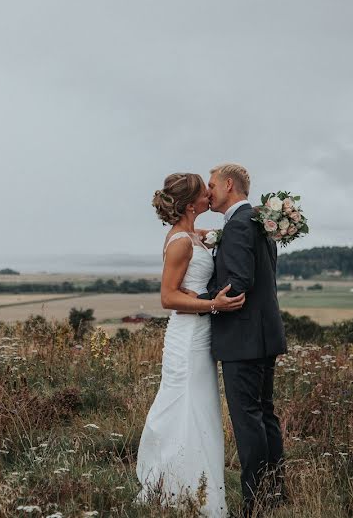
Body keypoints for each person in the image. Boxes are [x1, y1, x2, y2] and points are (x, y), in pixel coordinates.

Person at [135, 172, 246, 516]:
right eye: (204, 192)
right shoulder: (181, 242)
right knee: (187, 406)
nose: (209, 196)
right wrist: (215, 304)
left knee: (199, 410)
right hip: (187, 337)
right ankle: (183, 491)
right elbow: (168, 298)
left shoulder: (192, 236)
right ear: (190, 203)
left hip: (199, 335)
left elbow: (207, 239)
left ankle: (189, 486)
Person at [200, 163, 287, 517]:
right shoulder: (257, 220)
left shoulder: (238, 225)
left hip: (243, 338)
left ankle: (255, 503)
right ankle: (275, 493)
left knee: (248, 419)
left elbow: (238, 282)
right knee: (265, 416)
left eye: (211, 185)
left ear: (229, 184)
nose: (208, 192)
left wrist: (203, 299)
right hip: (265, 334)